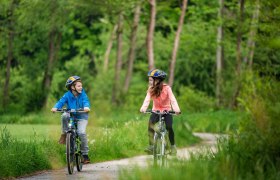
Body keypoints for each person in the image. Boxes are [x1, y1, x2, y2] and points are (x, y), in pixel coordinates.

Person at [140, 69, 181, 155]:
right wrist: (143, 108)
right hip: (156, 111)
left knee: (169, 127)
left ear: (157, 80)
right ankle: (151, 146)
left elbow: (172, 99)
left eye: (151, 80)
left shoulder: (167, 88)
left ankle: (173, 146)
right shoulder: (151, 89)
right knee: (150, 125)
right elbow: (147, 99)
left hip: (167, 112)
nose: (150, 82)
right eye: (149, 80)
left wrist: (176, 109)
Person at [51, 75, 91, 164]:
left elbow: (86, 101)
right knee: (64, 115)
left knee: (81, 132)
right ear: (72, 87)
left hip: (82, 116)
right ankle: (65, 133)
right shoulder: (67, 95)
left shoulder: (83, 94)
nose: (81, 87)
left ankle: (85, 154)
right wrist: (55, 108)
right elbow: (60, 102)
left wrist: (86, 107)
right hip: (71, 116)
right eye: (79, 86)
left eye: (81, 86)